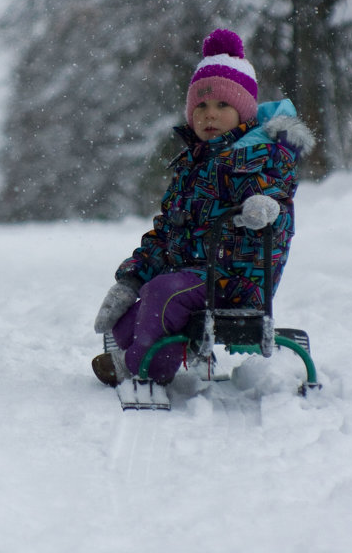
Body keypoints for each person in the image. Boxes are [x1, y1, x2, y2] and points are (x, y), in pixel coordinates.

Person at [91, 28, 314, 387]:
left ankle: (142, 367)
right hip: (189, 273)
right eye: (201, 106)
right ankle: (151, 344)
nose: (210, 115)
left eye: (222, 106)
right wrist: (132, 277)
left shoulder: (259, 158)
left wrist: (264, 207)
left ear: (243, 112)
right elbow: (168, 230)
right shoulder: (192, 164)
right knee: (126, 322)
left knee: (161, 295)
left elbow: (277, 196)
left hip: (232, 278)